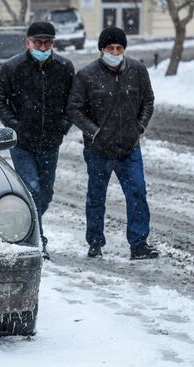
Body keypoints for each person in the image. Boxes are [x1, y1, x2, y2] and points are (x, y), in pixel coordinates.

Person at [67, 27, 159, 260]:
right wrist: (94, 132)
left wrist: (140, 127)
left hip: (129, 147)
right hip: (99, 149)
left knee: (137, 192)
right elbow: (74, 109)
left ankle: (139, 244)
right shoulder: (86, 75)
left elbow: (148, 100)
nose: (115, 52)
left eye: (119, 48)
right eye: (110, 48)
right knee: (96, 196)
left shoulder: (137, 70)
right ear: (101, 51)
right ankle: (95, 242)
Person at [0, 22, 75, 260]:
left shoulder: (64, 67)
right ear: (28, 42)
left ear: (53, 44)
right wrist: (14, 125)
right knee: (32, 189)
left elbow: (73, 101)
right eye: (38, 42)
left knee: (46, 193)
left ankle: (29, 226)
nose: (43, 46)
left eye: (47, 42)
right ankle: (37, 240)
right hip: (22, 143)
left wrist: (63, 126)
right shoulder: (12, 67)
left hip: (51, 141)